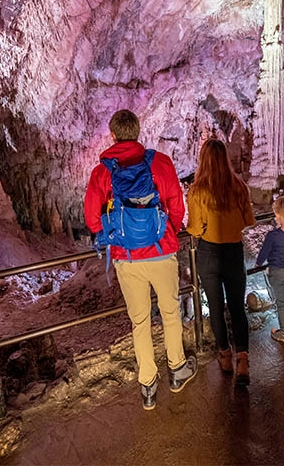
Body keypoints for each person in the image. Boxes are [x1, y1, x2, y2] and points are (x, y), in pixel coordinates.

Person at [84, 109, 197, 410]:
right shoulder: (159, 163)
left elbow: (92, 218)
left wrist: (111, 236)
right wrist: (168, 232)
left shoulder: (102, 173)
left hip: (126, 258)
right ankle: (177, 369)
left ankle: (148, 385)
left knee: (140, 321)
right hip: (161, 252)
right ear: (137, 132)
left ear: (112, 135)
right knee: (171, 312)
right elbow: (176, 205)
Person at [186, 139, 256, 386]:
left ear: (203, 161)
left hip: (209, 252)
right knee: (237, 307)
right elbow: (248, 220)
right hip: (233, 252)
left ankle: (225, 356)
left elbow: (195, 229)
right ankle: (243, 360)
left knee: (215, 307)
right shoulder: (239, 186)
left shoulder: (197, 191)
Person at [255, 196, 284, 345]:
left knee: (280, 302)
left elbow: (264, 252)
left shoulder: (273, 236)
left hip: (276, 271)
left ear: (277, 215)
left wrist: (258, 263)